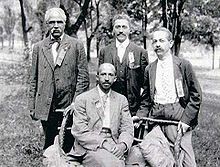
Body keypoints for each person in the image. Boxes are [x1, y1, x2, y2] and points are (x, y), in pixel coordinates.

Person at [133, 27, 202, 167]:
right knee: (152, 157)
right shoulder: (150, 69)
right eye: (154, 41)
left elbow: (196, 95)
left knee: (187, 162)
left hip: (178, 120)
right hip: (155, 119)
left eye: (161, 41)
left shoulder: (183, 65)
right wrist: (140, 116)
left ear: (170, 43)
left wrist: (186, 120)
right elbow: (146, 98)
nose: (157, 44)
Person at [28, 7, 89, 150]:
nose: (56, 26)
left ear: (65, 23)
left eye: (59, 22)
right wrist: (32, 105)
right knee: (49, 141)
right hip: (46, 102)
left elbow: (83, 77)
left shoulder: (76, 45)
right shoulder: (38, 47)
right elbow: (33, 79)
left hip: (68, 102)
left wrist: (76, 102)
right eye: (52, 22)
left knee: (67, 141)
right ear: (47, 25)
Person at [71, 63, 134, 167]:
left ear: (115, 78)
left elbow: (127, 127)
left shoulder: (121, 100)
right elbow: (80, 131)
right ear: (97, 77)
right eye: (103, 74)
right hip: (90, 145)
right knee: (113, 164)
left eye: (110, 75)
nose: (107, 78)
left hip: (114, 142)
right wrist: (104, 143)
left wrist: (122, 145)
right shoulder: (83, 99)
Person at [98, 13, 149, 116]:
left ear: (129, 30)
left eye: (124, 27)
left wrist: (141, 113)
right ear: (113, 30)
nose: (121, 30)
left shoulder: (140, 52)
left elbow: (146, 86)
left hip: (133, 110)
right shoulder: (104, 52)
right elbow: (100, 81)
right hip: (109, 108)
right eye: (117, 27)